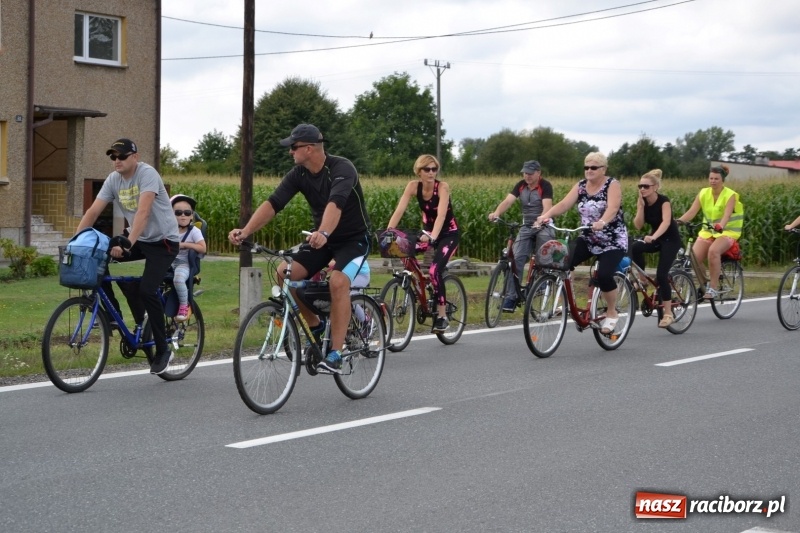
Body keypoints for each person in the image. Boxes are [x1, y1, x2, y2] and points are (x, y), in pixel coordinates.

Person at [227, 124, 371, 375]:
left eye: (293, 148)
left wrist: (324, 232)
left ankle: (336, 353)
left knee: (338, 282)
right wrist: (246, 231)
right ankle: (314, 326)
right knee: (284, 273)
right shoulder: (299, 174)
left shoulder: (341, 168)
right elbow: (273, 203)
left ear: (308, 148)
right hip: (321, 240)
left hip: (353, 240)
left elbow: (335, 204)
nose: (290, 152)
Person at [75, 138, 180, 375]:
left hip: (163, 242)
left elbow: (143, 212)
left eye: (121, 156)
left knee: (147, 289)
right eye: (113, 157)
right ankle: (114, 315)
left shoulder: (147, 174)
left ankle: (163, 350)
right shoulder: (114, 180)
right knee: (98, 259)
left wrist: (128, 243)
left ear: (135, 156)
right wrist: (76, 242)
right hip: (140, 239)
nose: (117, 161)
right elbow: (93, 212)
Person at [536, 152, 627, 334]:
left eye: (594, 167)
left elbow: (613, 208)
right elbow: (563, 204)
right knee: (562, 262)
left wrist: (603, 222)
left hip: (612, 240)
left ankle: (611, 312)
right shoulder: (581, 186)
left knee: (604, 275)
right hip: (588, 237)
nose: (589, 171)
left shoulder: (612, 184)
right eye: (586, 167)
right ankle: (566, 303)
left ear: (603, 169)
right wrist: (546, 216)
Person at [386, 154, 459, 332]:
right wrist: (388, 232)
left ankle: (442, 317)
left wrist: (434, 235)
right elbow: (399, 210)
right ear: (419, 171)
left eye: (434, 169)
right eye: (427, 169)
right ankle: (423, 285)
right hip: (428, 232)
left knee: (434, 271)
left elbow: (441, 215)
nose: (431, 172)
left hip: (448, 234)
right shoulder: (413, 186)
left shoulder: (442, 187)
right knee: (404, 251)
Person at [487, 160, 555, 312]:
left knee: (543, 254)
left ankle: (542, 283)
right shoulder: (520, 185)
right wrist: (497, 213)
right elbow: (508, 201)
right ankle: (511, 297)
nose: (527, 176)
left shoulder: (545, 185)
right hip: (526, 226)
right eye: (525, 173)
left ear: (539, 173)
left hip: (544, 224)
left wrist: (542, 219)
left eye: (530, 173)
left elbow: (547, 207)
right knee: (515, 259)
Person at [676, 164, 743, 299]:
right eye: (711, 178)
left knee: (713, 251)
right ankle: (705, 283)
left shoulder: (730, 195)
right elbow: (692, 212)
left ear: (722, 180)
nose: (713, 181)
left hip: (727, 232)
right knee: (694, 258)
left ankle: (713, 287)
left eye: (716, 178)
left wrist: (721, 225)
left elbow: (727, 215)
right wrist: (676, 223)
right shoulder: (703, 193)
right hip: (708, 231)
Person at [631, 169, 681, 328]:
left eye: (646, 186)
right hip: (656, 238)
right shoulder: (643, 202)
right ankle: (643, 280)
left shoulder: (663, 201)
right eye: (640, 186)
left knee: (661, 274)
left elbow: (666, 222)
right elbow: (638, 225)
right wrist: (640, 206)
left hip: (670, 240)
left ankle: (668, 314)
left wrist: (653, 236)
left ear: (655, 187)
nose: (642, 189)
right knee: (635, 248)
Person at [170, 195, 207, 322]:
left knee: (178, 280)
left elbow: (203, 248)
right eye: (178, 213)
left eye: (187, 213)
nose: (183, 216)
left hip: (184, 263)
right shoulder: (169, 231)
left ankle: (184, 306)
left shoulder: (194, 231)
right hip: (168, 262)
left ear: (192, 215)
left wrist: (184, 245)